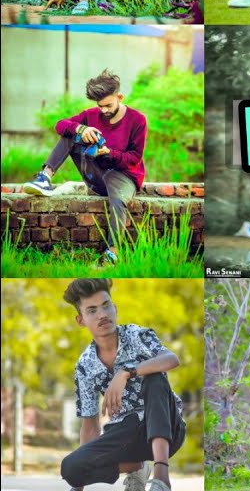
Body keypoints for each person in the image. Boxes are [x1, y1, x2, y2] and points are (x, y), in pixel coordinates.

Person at [60, 279, 185, 491]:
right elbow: (90, 426)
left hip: (166, 425)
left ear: (115, 308)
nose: (102, 315)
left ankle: (161, 477)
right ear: (80, 320)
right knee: (70, 468)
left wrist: (126, 373)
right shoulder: (85, 365)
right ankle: (136, 467)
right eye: (92, 310)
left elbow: (171, 359)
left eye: (106, 305)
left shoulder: (136, 335)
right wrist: (80, 478)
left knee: (155, 377)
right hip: (124, 433)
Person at [23, 70, 146, 264]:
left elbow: (134, 158)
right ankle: (45, 177)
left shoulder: (137, 120)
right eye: (100, 106)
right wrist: (81, 128)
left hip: (123, 175)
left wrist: (108, 152)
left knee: (118, 201)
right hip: (96, 175)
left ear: (119, 97)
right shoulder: (91, 115)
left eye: (108, 105)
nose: (104, 111)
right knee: (70, 133)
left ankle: (112, 254)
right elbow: (60, 125)